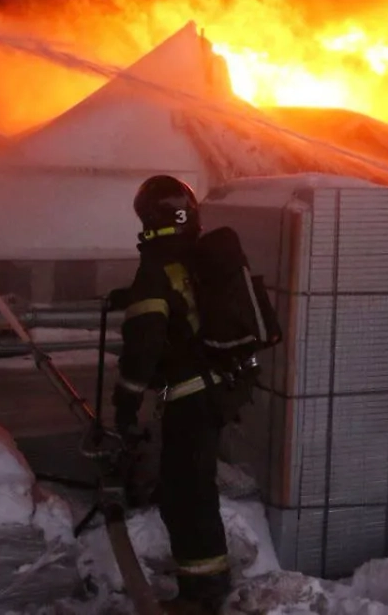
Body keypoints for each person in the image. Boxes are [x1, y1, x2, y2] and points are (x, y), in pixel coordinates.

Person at [111, 175, 231, 614]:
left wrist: (125, 404)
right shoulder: (189, 255)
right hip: (212, 389)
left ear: (147, 217)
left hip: (190, 398)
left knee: (186, 496)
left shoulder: (154, 269)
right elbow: (181, 305)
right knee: (192, 490)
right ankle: (206, 587)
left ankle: (203, 595)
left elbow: (142, 349)